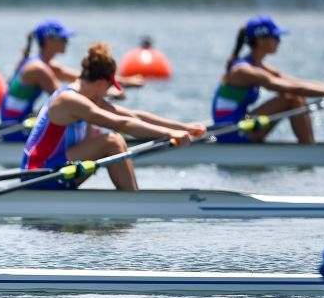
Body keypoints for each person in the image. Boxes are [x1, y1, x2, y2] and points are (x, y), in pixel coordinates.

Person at [22, 42, 204, 190]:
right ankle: (133, 202)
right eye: (110, 87)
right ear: (101, 83)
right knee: (112, 141)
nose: (109, 93)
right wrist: (170, 134)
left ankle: (132, 199)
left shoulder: (87, 98)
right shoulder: (69, 100)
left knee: (115, 140)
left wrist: (183, 128)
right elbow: (122, 123)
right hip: (39, 175)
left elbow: (134, 115)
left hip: (60, 170)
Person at [212, 15, 324, 143]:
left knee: (294, 96)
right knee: (290, 97)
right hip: (229, 130)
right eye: (276, 37)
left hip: (244, 122)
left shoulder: (262, 67)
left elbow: (298, 83)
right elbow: (292, 89)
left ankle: (309, 148)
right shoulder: (243, 70)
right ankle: (309, 151)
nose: (279, 41)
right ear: (260, 39)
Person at [0, 19, 141, 142]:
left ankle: (124, 129)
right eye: (63, 38)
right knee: (85, 112)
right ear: (49, 40)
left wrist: (126, 81)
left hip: (18, 123)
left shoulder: (39, 63)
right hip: (15, 131)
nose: (67, 42)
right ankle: (126, 133)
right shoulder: (38, 70)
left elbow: (86, 78)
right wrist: (108, 92)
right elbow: (67, 100)